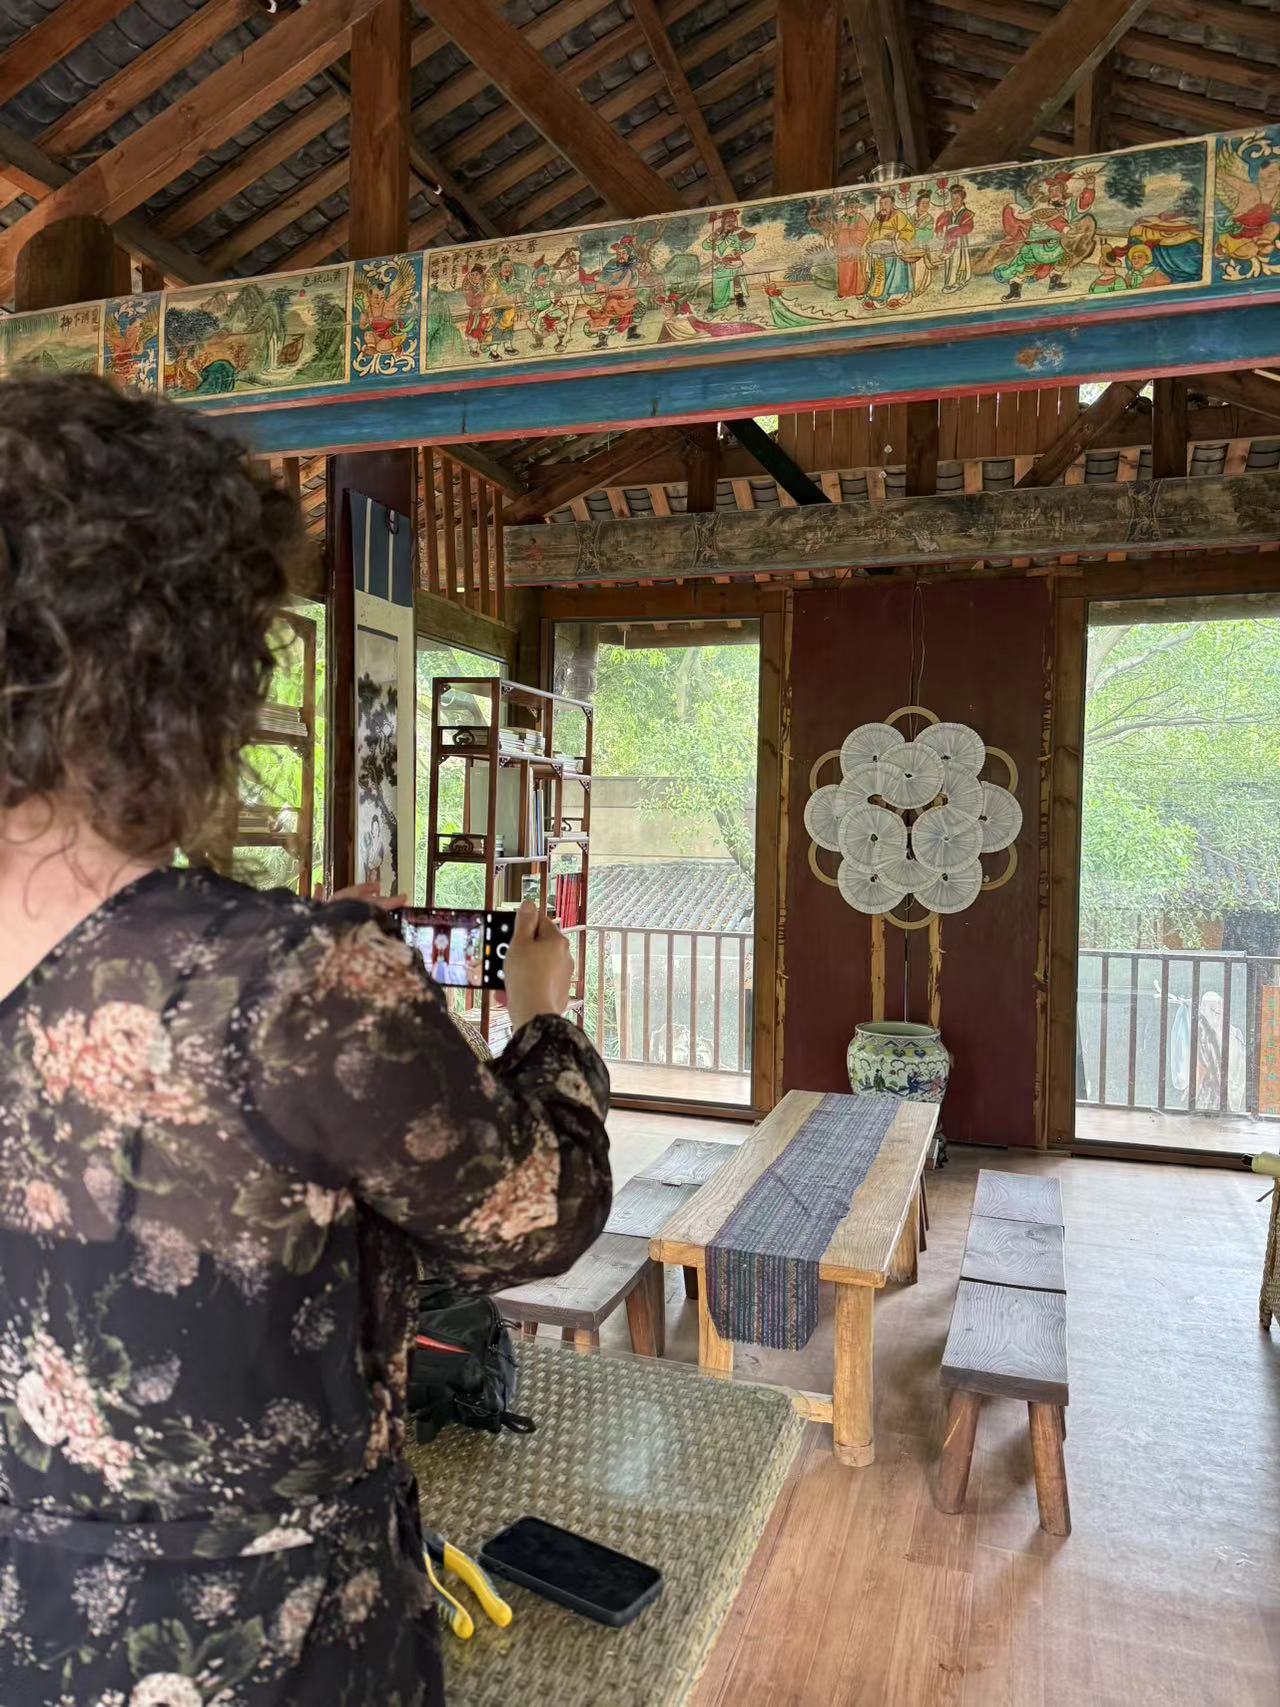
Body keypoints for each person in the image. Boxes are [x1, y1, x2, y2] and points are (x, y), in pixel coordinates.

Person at [0, 375, 612, 1706]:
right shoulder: (294, 984)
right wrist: (545, 1019)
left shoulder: (287, 975)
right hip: (256, 1646)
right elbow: (534, 1218)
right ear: (194, 669)